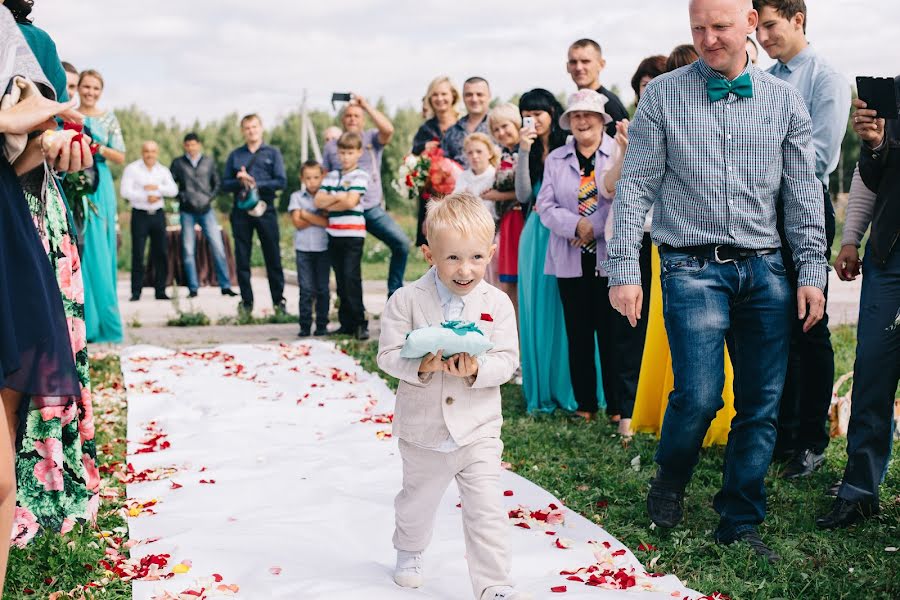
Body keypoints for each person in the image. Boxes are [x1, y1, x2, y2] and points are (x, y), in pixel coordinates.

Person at [606, 0, 827, 561]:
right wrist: (626, 270)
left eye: (720, 26)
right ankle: (671, 476)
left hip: (766, 268)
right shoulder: (662, 95)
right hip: (689, 266)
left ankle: (740, 518)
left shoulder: (785, 101)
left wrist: (811, 273)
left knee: (760, 402)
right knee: (700, 397)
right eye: (697, 28)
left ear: (751, 23)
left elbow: (803, 197)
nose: (708, 39)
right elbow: (634, 190)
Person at [377, 192, 524, 600]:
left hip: (477, 428)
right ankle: (408, 550)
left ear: (491, 253)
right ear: (429, 254)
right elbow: (387, 355)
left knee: (486, 509)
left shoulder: (497, 304)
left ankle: (494, 580)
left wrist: (476, 368)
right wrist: (422, 366)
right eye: (453, 258)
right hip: (423, 430)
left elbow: (507, 359)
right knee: (417, 501)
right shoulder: (405, 300)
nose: (465, 269)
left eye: (476, 258)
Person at [0, 5, 91, 589]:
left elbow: (30, 147)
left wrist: (55, 143)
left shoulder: (25, 39)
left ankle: (34, 493)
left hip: (20, 215)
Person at [755, 0, 852, 477]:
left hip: (805, 210)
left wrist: (756, 162)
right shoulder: (766, 78)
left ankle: (811, 441)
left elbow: (818, 155)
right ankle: (783, 432)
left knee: (808, 326)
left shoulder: (825, 77)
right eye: (760, 27)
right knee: (775, 328)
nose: (766, 35)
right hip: (760, 213)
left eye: (771, 25)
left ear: (798, 20)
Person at [630, 41, 739, 447]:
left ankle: (718, 419)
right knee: (677, 337)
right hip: (676, 244)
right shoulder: (663, 118)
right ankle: (676, 417)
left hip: (722, 246)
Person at [817, 87, 900, 529]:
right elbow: (872, 177)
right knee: (872, 372)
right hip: (891, 258)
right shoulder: (894, 100)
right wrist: (851, 239)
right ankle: (860, 490)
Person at [537, 90, 629, 427]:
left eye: (589, 115)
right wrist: (575, 223)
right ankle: (585, 403)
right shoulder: (556, 159)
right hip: (569, 255)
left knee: (611, 333)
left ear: (601, 119)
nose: (582, 121)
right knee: (577, 333)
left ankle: (618, 404)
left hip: (609, 256)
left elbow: (624, 197)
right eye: (575, 115)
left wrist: (596, 226)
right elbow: (545, 206)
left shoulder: (617, 151)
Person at [516, 89, 603, 415]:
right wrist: (523, 151)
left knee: (575, 317)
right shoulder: (528, 149)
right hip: (538, 236)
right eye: (527, 113)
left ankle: (580, 390)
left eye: (539, 112)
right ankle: (545, 388)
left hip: (572, 235)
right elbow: (525, 195)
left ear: (553, 114)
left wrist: (581, 225)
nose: (534, 119)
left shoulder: (571, 146)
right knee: (541, 312)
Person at [322, 94, 409, 297]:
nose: (352, 119)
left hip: (370, 209)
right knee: (346, 267)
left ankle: (394, 294)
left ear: (363, 119)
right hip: (344, 211)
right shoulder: (332, 146)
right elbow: (324, 177)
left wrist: (366, 105)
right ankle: (349, 313)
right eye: (348, 115)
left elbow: (388, 130)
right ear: (343, 120)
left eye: (356, 116)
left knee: (401, 244)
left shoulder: (371, 138)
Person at [77, 68, 126, 343]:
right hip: (75, 178)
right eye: (86, 87)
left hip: (100, 184)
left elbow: (120, 155)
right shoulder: (69, 115)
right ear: (79, 88)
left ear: (100, 91)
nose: (90, 92)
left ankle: (106, 325)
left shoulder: (108, 119)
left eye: (95, 88)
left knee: (100, 250)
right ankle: (86, 324)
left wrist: (97, 147)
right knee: (80, 248)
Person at [222, 114, 287, 314]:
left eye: (254, 127)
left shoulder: (273, 153)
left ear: (261, 128)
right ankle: (246, 303)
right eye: (247, 128)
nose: (251, 131)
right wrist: (240, 181)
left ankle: (279, 302)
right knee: (242, 257)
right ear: (243, 131)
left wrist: (256, 182)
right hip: (241, 210)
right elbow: (224, 184)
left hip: (265, 208)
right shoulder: (235, 155)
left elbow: (281, 182)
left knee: (272, 257)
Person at [315, 131, 370, 340]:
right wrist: (340, 197)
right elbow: (318, 201)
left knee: (351, 277)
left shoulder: (360, 175)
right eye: (342, 153)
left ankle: (360, 322)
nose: (345, 157)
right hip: (334, 234)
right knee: (339, 279)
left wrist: (333, 199)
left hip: (353, 234)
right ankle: (345, 322)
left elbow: (351, 202)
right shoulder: (331, 175)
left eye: (349, 152)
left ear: (358, 153)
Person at [170, 132, 236, 298]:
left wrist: (209, 198)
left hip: (206, 210)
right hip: (187, 211)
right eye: (188, 144)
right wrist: (182, 197)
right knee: (188, 250)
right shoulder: (178, 163)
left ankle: (225, 285)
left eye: (194, 144)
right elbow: (170, 185)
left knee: (218, 247)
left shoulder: (209, 161)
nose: (191, 147)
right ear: (185, 146)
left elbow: (217, 183)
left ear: (198, 145)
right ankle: (193, 287)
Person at [120, 141, 178, 301]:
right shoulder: (132, 169)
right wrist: (145, 195)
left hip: (158, 215)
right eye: (146, 151)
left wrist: (157, 190)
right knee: (138, 253)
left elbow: (173, 190)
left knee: (161, 253)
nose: (150, 154)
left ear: (157, 152)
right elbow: (125, 191)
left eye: (153, 151)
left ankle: (161, 290)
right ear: (142, 152)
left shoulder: (163, 170)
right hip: (140, 215)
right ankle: (136, 292)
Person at [484, 103, 524, 315]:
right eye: (496, 129)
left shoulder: (524, 153)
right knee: (506, 285)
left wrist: (496, 195)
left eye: (505, 126)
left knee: (517, 283)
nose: (501, 132)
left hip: (520, 218)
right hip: (507, 220)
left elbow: (525, 191)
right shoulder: (505, 155)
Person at [412, 76, 460, 245]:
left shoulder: (463, 124)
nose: (440, 99)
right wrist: (424, 153)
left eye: (444, 94)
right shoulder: (426, 129)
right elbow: (414, 163)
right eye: (435, 95)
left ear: (453, 96)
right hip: (433, 198)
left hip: (461, 195)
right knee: (436, 248)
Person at [289, 160, 331, 337]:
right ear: (302, 178)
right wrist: (315, 217)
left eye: (316, 177)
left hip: (323, 248)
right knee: (306, 289)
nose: (312, 181)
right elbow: (297, 223)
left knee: (322, 288)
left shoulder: (327, 197)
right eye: (308, 178)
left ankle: (322, 325)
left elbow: (327, 222)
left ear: (322, 177)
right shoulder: (296, 197)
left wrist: (305, 214)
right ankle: (304, 325)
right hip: (303, 249)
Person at [566, 39, 629, 137]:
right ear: (567, 67)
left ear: (601, 64)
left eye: (585, 61)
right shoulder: (573, 103)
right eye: (573, 62)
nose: (578, 67)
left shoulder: (609, 104)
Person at [441, 77, 492, 167]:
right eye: (469, 95)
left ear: (489, 96)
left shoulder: (500, 127)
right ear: (463, 97)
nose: (474, 99)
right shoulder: (452, 132)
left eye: (479, 94)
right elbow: (444, 166)